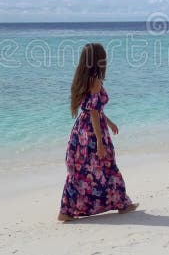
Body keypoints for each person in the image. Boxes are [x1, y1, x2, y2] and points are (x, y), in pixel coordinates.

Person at [58, 43, 138, 221]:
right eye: (104, 56)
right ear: (97, 60)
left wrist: (109, 122)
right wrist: (100, 142)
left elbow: (91, 108)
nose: (106, 60)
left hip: (81, 130)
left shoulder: (83, 78)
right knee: (107, 165)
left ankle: (66, 211)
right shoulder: (95, 80)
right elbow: (94, 112)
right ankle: (122, 204)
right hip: (92, 131)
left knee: (81, 170)